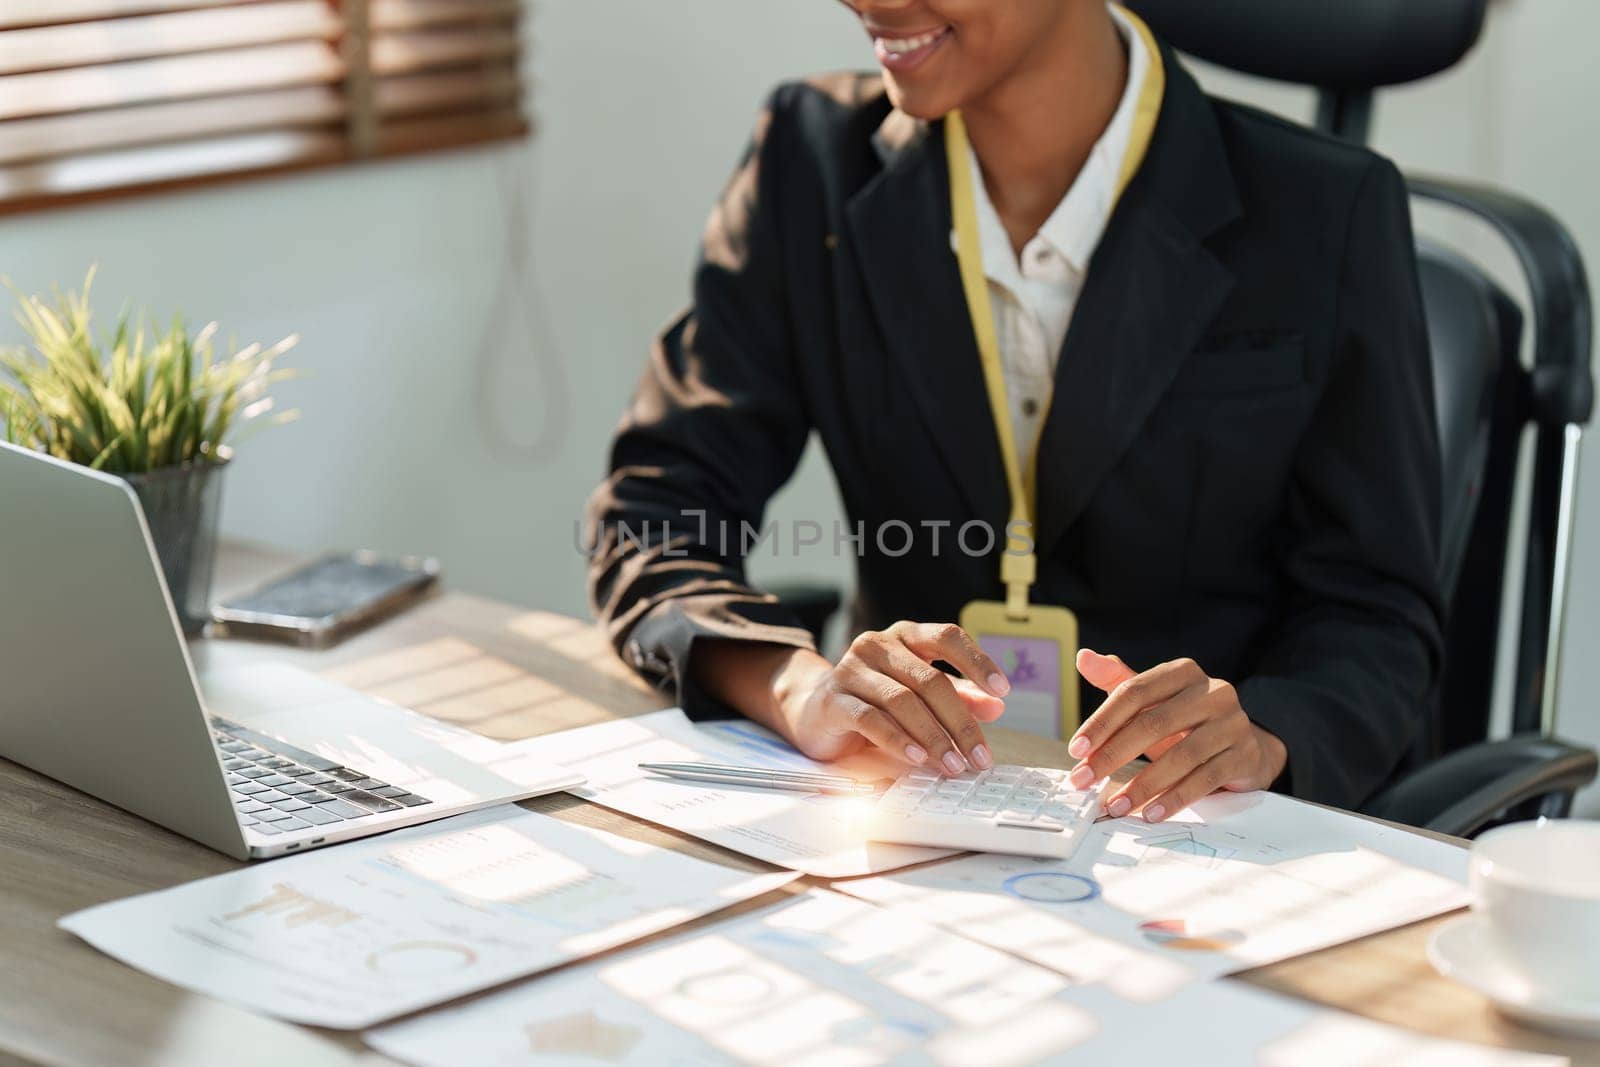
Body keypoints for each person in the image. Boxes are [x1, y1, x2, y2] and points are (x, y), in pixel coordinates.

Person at [585, 0, 1442, 819]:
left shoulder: (1327, 213)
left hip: (1198, 841)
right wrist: (796, 687)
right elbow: (652, 515)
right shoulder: (809, 162)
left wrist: (1263, 735)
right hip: (916, 815)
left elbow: (1376, 618)